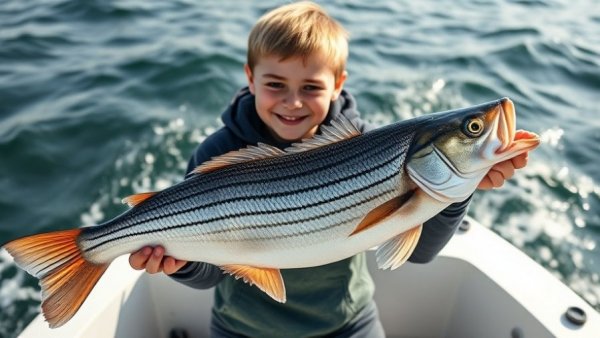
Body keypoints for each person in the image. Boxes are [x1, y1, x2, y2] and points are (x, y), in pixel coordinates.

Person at [128, 2, 530, 337]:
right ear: (250, 78)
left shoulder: (370, 146)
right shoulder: (217, 153)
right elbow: (209, 277)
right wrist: (180, 265)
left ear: (338, 84)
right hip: (242, 328)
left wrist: (460, 189)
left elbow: (421, 253)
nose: (293, 102)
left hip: (348, 323)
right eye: (275, 84)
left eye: (311, 87)